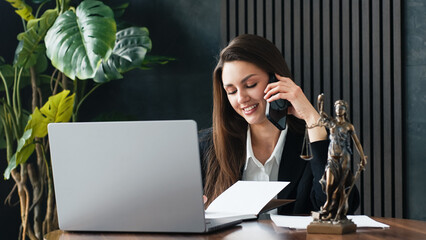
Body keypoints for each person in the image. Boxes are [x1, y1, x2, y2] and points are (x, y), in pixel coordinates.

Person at [199, 34, 359, 215]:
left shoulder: (313, 143)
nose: (241, 98)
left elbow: (339, 208)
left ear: (277, 80)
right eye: (232, 91)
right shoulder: (206, 147)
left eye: (251, 84)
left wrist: (313, 120)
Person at [313, 95, 367, 220]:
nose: (339, 109)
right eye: (337, 107)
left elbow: (357, 142)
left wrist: (362, 157)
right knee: (329, 183)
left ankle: (335, 209)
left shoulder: (349, 126)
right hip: (331, 157)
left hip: (344, 157)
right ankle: (328, 204)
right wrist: (320, 102)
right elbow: (321, 114)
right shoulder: (331, 122)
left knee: (340, 186)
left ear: (345, 110)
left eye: (341, 107)